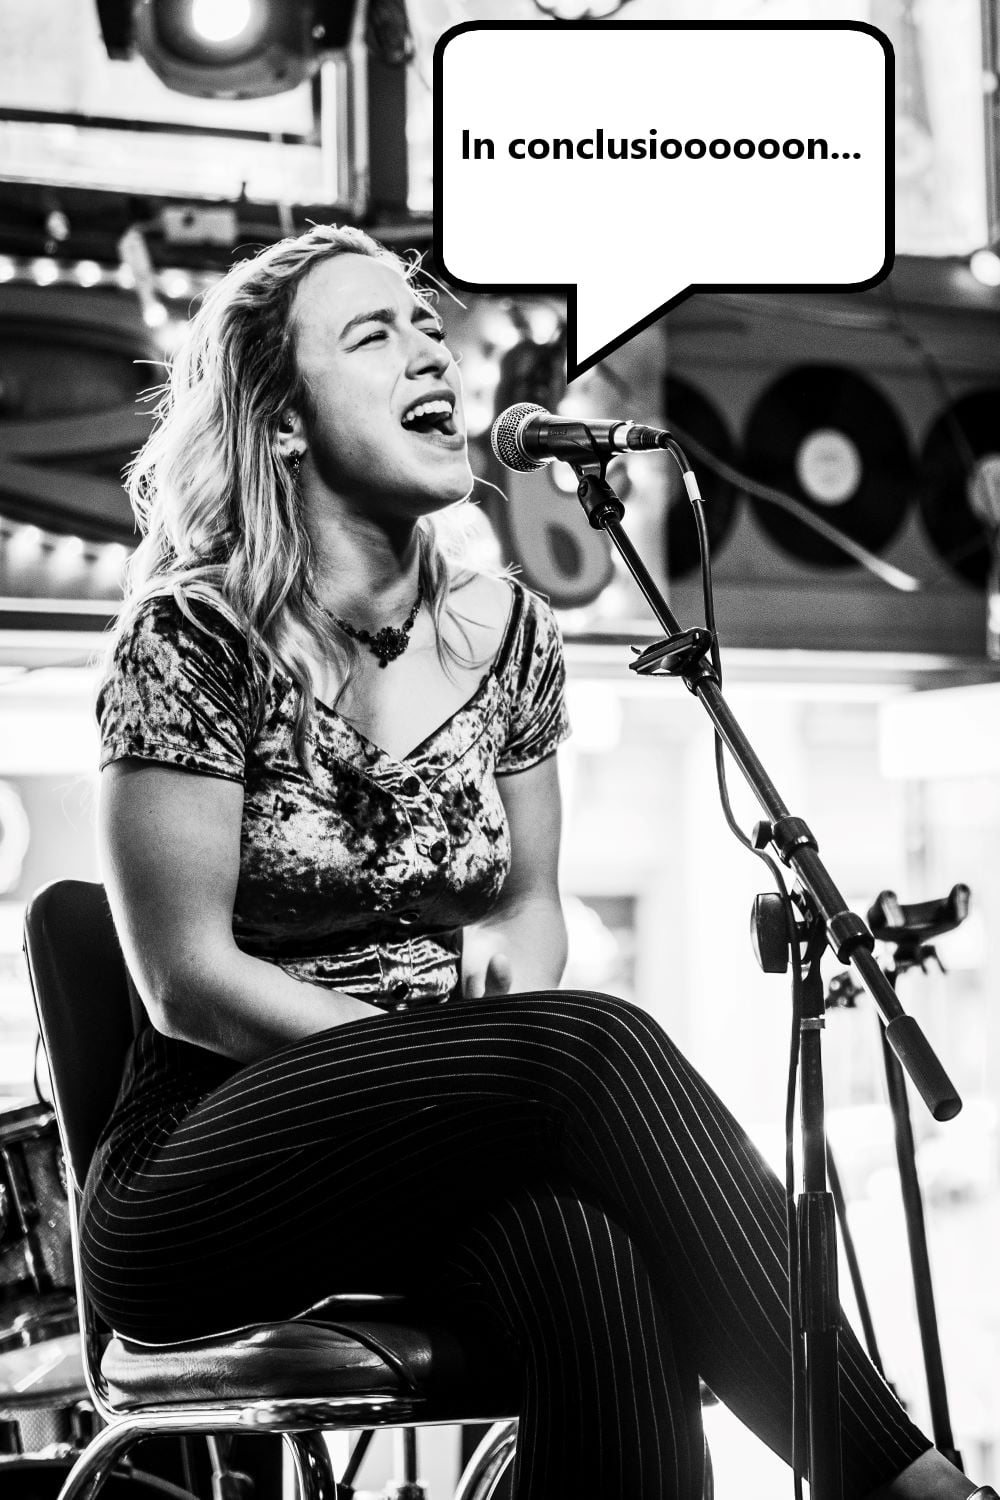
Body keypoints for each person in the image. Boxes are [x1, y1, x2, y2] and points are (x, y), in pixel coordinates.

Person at [80, 224, 987, 1500]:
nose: (427, 346)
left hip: (433, 1138)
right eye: (372, 334)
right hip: (206, 1163)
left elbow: (529, 904)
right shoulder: (193, 631)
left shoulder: (507, 629)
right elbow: (186, 983)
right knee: (591, 1046)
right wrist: (456, 1069)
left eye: (424, 322)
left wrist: (491, 1013)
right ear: (281, 423)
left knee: (592, 1265)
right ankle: (901, 1482)